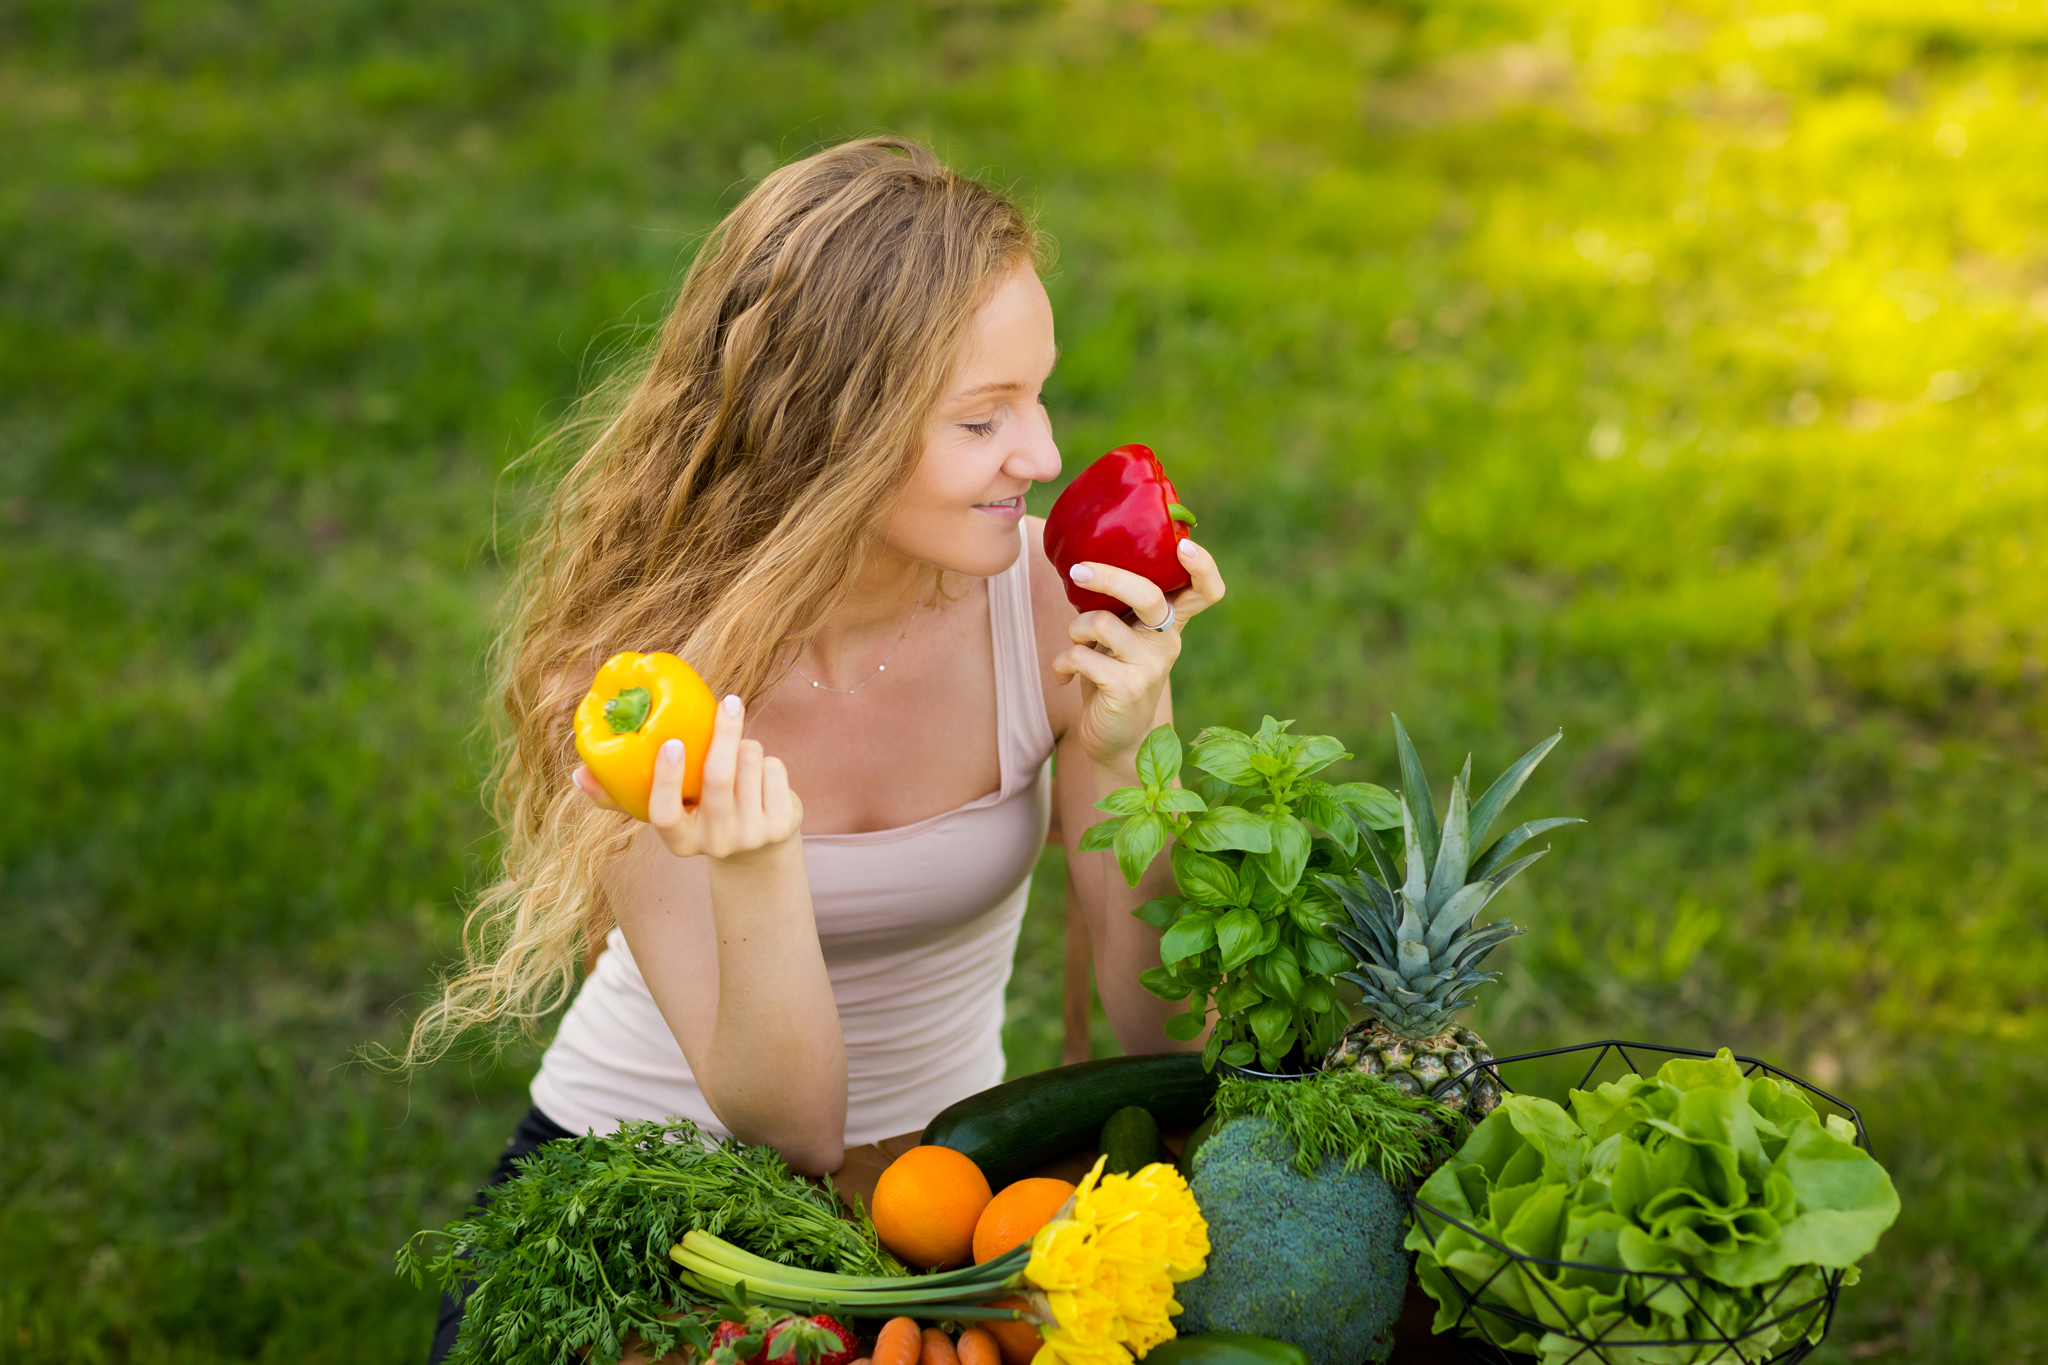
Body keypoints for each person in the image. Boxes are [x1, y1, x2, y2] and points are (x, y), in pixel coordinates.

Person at [407, 136, 1226, 1360]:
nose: (1044, 456)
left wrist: (1131, 747)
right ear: (829, 432)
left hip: (937, 1191)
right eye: (982, 419)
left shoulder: (1049, 600)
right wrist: (755, 868)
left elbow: (1170, 1038)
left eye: (1037, 395)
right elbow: (788, 1135)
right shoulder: (644, 687)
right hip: (635, 1193)